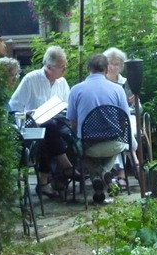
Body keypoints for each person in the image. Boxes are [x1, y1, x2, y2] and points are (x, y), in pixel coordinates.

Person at [9, 45, 79, 199]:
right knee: (47, 129)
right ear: (49, 67)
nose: (65, 70)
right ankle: (65, 168)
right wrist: (31, 114)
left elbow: (67, 107)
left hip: (56, 126)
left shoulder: (62, 82)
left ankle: (47, 182)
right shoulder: (31, 79)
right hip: (32, 127)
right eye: (61, 66)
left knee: (56, 131)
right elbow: (14, 108)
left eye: (65, 66)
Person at [66, 53, 132, 204]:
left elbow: (73, 122)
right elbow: (125, 119)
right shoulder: (118, 90)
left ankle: (98, 178)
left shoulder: (76, 90)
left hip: (89, 145)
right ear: (107, 69)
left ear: (88, 68)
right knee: (115, 144)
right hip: (113, 144)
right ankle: (105, 173)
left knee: (81, 147)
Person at [103, 47, 141, 191]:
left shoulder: (126, 83)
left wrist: (136, 102)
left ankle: (121, 173)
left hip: (128, 118)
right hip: (108, 121)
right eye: (109, 63)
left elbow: (139, 110)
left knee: (123, 128)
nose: (112, 67)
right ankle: (133, 163)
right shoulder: (101, 82)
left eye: (116, 64)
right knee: (120, 131)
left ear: (122, 67)